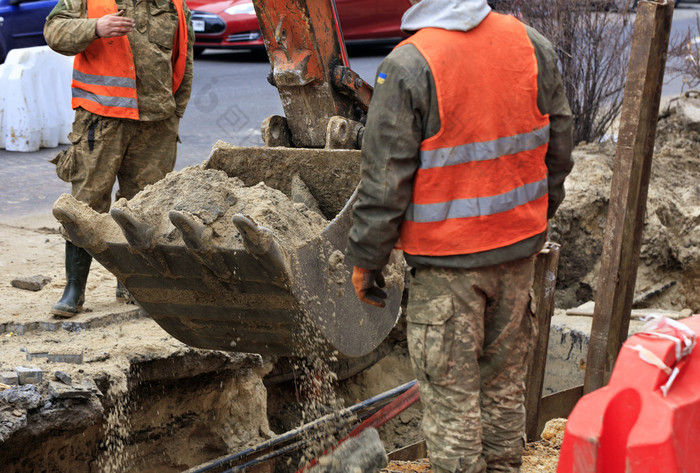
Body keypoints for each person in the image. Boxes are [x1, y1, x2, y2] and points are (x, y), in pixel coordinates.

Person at [346, 0, 574, 472]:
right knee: (503, 394)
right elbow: (559, 146)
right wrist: (535, 214)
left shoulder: (410, 65)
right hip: (517, 259)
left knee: (452, 411)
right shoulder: (532, 46)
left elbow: (385, 181)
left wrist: (366, 260)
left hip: (447, 270)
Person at [44, 0, 194, 318]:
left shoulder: (173, 3)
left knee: (144, 206)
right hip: (101, 118)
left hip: (156, 122)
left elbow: (185, 58)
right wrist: (95, 28)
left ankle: (132, 283)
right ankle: (74, 290)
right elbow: (53, 32)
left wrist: (175, 112)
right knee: (86, 203)